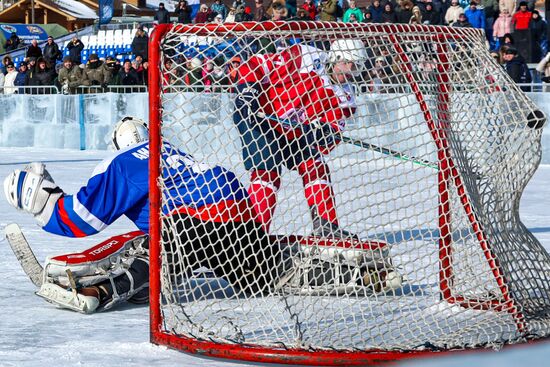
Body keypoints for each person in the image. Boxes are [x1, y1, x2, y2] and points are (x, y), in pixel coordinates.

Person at [233, 40, 366, 238]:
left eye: (355, 67)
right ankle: (255, 234)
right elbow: (258, 64)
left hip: (296, 133)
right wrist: (247, 90)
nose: (350, 71)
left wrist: (325, 134)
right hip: (258, 116)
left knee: (316, 166)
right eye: (347, 63)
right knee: (267, 172)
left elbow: (334, 129)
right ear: (336, 58)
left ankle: (325, 225)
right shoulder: (305, 56)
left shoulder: (345, 97)